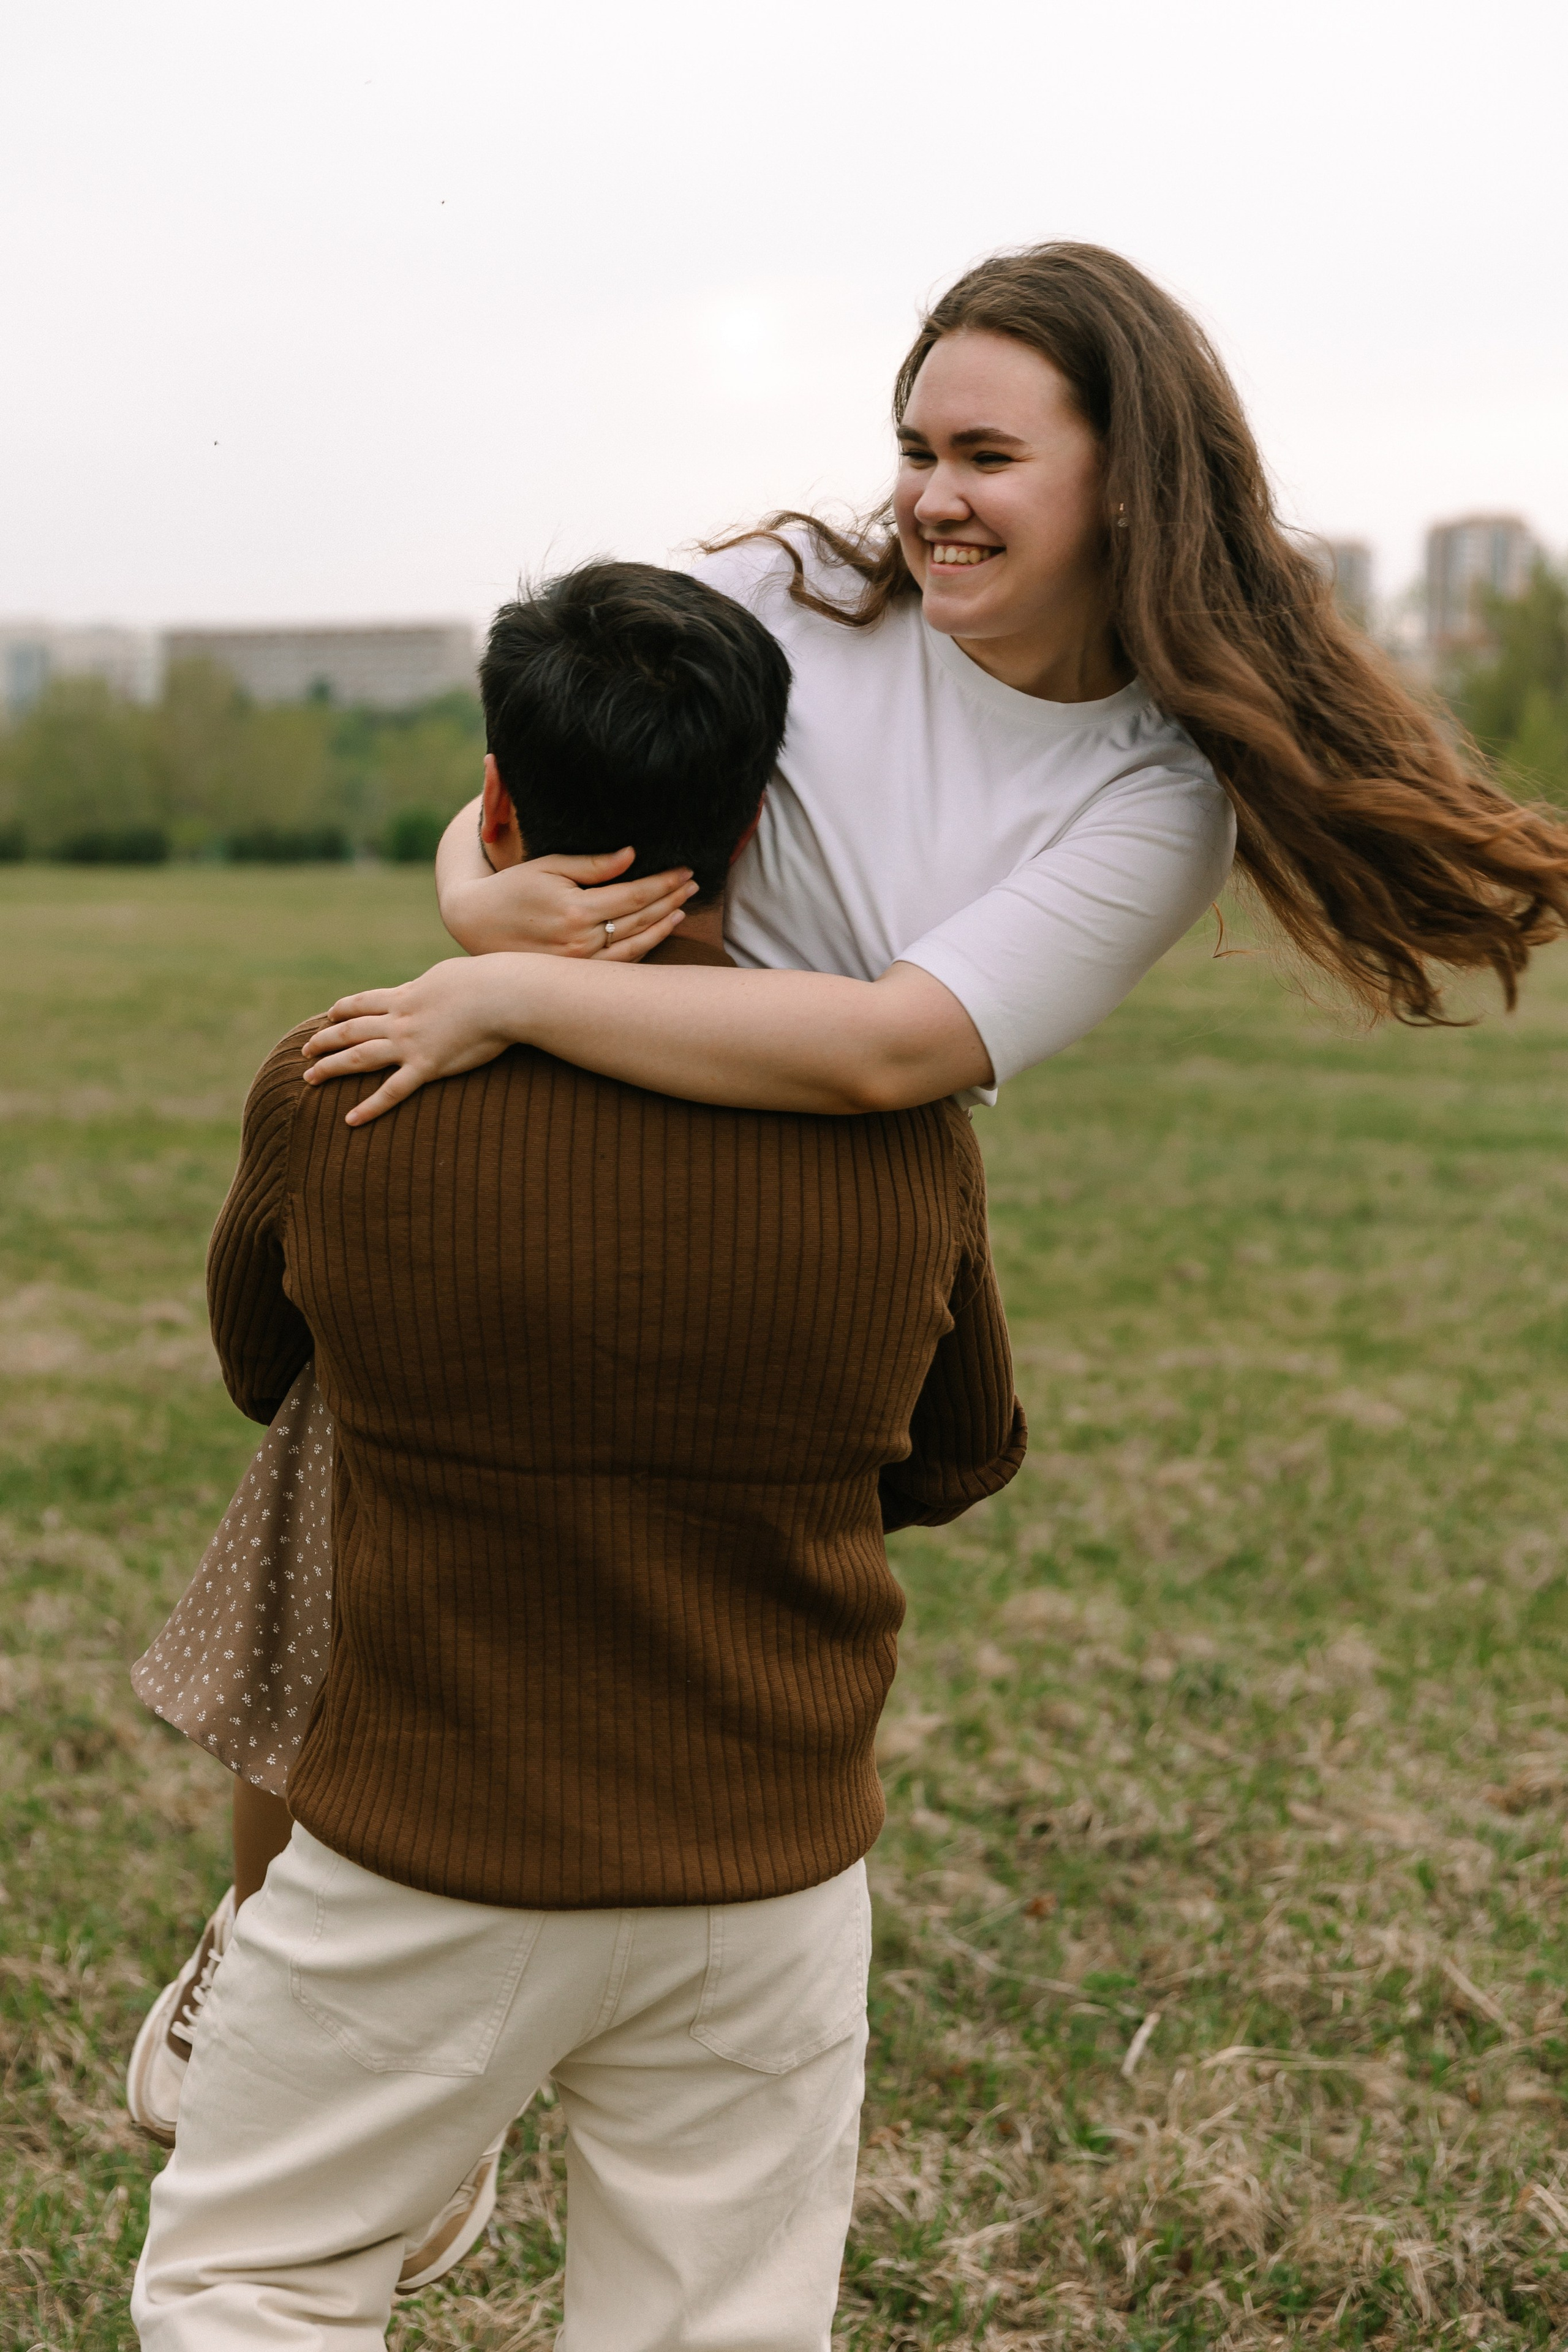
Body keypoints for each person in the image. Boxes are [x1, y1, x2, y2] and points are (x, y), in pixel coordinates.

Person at [131, 559, 1026, 2351]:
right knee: (719, 2324)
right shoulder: (903, 1126)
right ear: (763, 816)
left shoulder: (343, 1082)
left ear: (500, 799)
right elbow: (955, 1455)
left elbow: (260, 1367)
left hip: (421, 1844)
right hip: (768, 1872)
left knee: (253, 2286)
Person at [300, 241, 1568, 1131]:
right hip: (563, 1120)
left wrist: (515, 986)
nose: (931, 498)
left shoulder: (1155, 797)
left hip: (815, 1201)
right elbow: (522, 781)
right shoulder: (779, 588)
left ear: (1126, 480)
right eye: (915, 450)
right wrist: (476, 898)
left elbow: (890, 1052)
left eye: (988, 456)